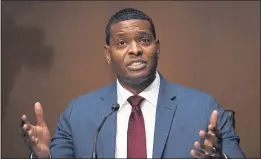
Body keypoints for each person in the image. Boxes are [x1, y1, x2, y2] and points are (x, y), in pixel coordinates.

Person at [20, 8, 246, 158]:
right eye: (122, 43)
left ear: (157, 48)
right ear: (108, 54)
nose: (135, 50)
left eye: (144, 40)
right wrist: (43, 157)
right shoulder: (77, 113)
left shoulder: (204, 108)